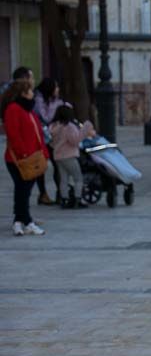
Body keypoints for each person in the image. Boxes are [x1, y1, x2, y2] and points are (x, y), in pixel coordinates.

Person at [2, 76, 46, 236]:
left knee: (23, 191)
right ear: (22, 93)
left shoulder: (29, 111)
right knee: (23, 190)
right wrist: (24, 154)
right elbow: (14, 134)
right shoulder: (13, 109)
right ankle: (27, 222)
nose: (32, 93)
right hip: (19, 159)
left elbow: (38, 134)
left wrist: (43, 153)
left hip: (32, 158)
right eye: (30, 90)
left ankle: (19, 222)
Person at [50, 105, 95, 207]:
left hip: (58, 156)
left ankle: (64, 199)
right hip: (69, 155)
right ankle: (77, 199)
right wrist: (85, 129)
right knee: (78, 178)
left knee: (63, 179)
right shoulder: (69, 126)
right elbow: (75, 140)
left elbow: (51, 142)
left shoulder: (54, 126)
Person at [32, 77, 62, 205]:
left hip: (52, 137)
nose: (58, 90)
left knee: (57, 164)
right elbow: (46, 117)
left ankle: (60, 192)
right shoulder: (39, 100)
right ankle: (43, 194)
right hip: (42, 137)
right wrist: (57, 106)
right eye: (56, 87)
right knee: (41, 165)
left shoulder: (51, 100)